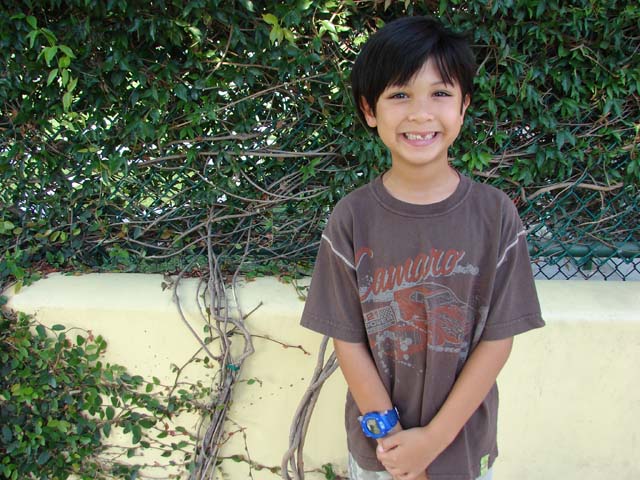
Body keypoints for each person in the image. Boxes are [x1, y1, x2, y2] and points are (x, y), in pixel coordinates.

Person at [300, 15, 544, 480]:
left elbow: (497, 340)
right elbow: (348, 341)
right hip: (380, 452)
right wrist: (394, 442)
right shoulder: (352, 218)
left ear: (463, 106)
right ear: (369, 110)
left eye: (440, 93)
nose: (420, 113)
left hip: (464, 445)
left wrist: (432, 441)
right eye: (399, 95)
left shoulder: (495, 215)